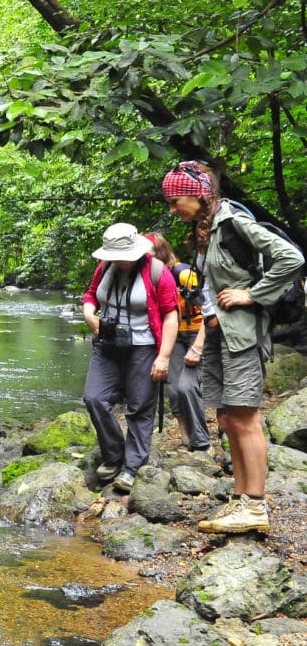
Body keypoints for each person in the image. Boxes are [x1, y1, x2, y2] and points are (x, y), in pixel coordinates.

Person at [163, 162, 304, 533]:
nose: (172, 209)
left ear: (198, 195)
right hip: (218, 333)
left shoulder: (232, 220)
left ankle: (255, 508)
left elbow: (293, 258)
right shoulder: (204, 229)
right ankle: (239, 501)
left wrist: (251, 294)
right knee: (227, 419)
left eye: (176, 200)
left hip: (242, 334)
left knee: (244, 419)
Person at [81, 222, 178, 493]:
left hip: (143, 347)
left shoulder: (158, 272)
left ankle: (132, 467)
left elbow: (171, 315)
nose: (116, 260)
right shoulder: (104, 268)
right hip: (107, 346)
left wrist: (164, 356)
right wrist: (90, 314)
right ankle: (113, 455)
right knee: (94, 398)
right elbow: (91, 296)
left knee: (139, 407)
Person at [145, 232, 212, 451]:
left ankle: (202, 441)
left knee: (187, 387)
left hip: (196, 333)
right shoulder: (151, 276)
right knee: (173, 390)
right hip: (173, 337)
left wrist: (199, 345)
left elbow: (210, 311)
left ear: (160, 253)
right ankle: (186, 439)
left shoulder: (183, 274)